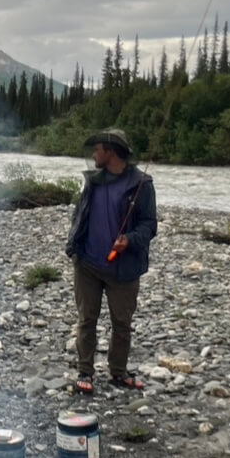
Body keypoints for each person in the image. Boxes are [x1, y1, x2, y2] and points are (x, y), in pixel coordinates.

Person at [65, 128, 157, 394]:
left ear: (111, 151)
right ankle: (85, 372)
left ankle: (118, 372)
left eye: (98, 149)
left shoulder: (142, 185)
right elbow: (79, 216)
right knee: (86, 319)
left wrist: (129, 239)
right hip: (87, 264)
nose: (94, 153)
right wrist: (73, 247)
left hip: (123, 268)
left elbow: (149, 225)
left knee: (122, 324)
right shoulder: (93, 181)